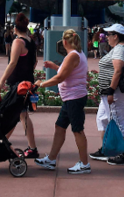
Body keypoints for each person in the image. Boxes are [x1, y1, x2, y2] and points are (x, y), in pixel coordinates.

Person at [35, 29, 91, 175]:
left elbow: (60, 78)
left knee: (77, 130)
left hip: (74, 98)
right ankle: (51, 159)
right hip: (70, 98)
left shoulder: (72, 56)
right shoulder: (78, 54)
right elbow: (67, 72)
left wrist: (42, 84)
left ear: (64, 42)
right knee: (60, 127)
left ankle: (84, 164)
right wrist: (54, 67)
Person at [89, 24, 124, 166]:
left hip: (115, 93)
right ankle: (106, 149)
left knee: (119, 121)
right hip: (112, 92)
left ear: (116, 36)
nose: (106, 37)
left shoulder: (120, 49)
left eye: (108, 35)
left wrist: (110, 90)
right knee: (102, 118)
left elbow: (118, 70)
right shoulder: (119, 48)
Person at [0, 13, 39, 158]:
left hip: (18, 84)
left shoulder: (18, 42)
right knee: (18, 113)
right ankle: (2, 141)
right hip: (27, 82)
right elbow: (35, 62)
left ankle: (31, 147)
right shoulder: (30, 42)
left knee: (19, 114)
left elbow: (12, 63)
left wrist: (1, 81)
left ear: (15, 28)